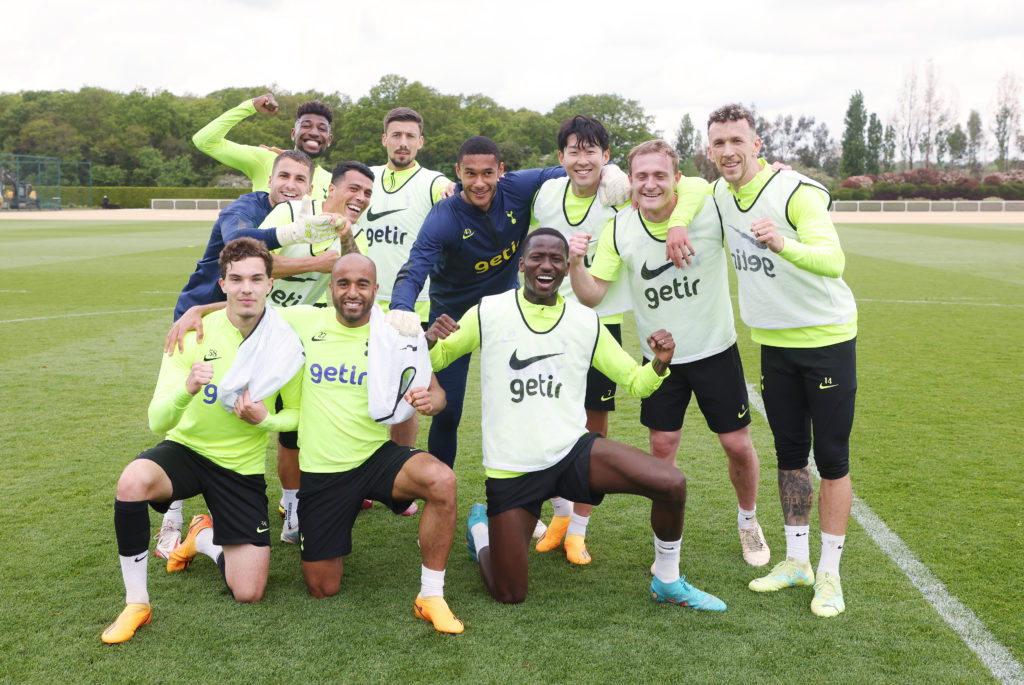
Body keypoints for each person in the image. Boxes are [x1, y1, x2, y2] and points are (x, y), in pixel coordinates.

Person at [426, 228, 725, 610]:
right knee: (509, 593)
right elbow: (437, 360)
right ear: (521, 265)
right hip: (511, 469)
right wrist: (431, 339)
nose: (546, 265)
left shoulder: (586, 321)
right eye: (537, 257)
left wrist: (660, 363)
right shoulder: (489, 311)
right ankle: (481, 530)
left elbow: (636, 383)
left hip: (571, 451)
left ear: (567, 268)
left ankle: (666, 580)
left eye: (556, 259)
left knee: (670, 482)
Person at [568, 139, 770, 569]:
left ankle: (749, 520)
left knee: (736, 444)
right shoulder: (620, 227)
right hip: (660, 359)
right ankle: (666, 546)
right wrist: (574, 265)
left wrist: (678, 222)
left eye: (660, 175)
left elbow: (705, 185)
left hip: (715, 349)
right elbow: (591, 296)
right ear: (630, 181)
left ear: (676, 178)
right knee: (662, 447)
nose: (650, 184)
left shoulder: (704, 208)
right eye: (641, 176)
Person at [690, 103, 858, 617]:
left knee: (830, 458)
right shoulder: (719, 193)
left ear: (757, 144)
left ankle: (829, 575)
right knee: (789, 455)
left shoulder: (797, 191)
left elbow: (833, 261)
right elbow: (682, 196)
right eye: (718, 143)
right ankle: (796, 561)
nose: (727, 151)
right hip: (774, 345)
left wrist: (782, 243)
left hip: (825, 340)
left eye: (736, 140)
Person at [102, 238, 302, 644]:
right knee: (132, 481)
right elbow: (158, 420)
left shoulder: (285, 339)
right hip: (187, 451)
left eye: (256, 279)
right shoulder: (191, 333)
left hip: (240, 467)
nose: (247, 288)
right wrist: (187, 389)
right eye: (237, 279)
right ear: (223, 283)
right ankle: (136, 602)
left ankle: (203, 538)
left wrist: (268, 420)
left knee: (248, 592)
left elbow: (298, 414)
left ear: (269, 284)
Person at [388, 135, 629, 470]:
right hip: (454, 319)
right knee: (449, 410)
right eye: (470, 174)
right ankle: (440, 493)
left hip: (507, 315)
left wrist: (613, 169)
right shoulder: (444, 216)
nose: (479, 182)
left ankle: (532, 486)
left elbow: (567, 168)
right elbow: (415, 266)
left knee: (527, 400)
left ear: (501, 170)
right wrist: (401, 307)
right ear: (458, 172)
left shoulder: (517, 187)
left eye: (488, 173)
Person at [164, 162, 372, 546]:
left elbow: (352, 267)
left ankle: (292, 508)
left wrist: (344, 238)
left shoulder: (351, 232)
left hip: (290, 335)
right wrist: (201, 309)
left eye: (366, 194)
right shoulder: (291, 213)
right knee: (201, 415)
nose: (358, 198)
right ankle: (173, 513)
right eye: (352, 189)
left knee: (294, 424)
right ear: (329, 190)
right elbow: (256, 268)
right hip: (244, 327)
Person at [275, 253, 464, 634]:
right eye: (343, 283)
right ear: (330, 288)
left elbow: (437, 393)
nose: (352, 292)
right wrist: (195, 312)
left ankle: (431, 595)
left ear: (376, 291)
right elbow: (246, 310)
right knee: (322, 588)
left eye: (362, 284)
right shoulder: (304, 320)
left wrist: (431, 402)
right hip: (323, 472)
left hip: (375, 457)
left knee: (442, 481)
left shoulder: (395, 332)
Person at [365, 107, 452, 450]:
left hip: (412, 305)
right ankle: (361, 475)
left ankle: (398, 478)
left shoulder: (432, 181)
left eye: (410, 137)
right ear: (385, 139)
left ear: (421, 142)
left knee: (407, 394)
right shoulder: (365, 177)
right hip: (362, 305)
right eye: (396, 135)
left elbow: (452, 190)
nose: (403, 143)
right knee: (360, 389)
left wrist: (454, 191)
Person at [172, 150, 346, 321]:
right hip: (204, 312)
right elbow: (237, 241)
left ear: (310, 189)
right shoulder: (245, 208)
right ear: (270, 181)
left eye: (299, 179)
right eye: (283, 176)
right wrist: (298, 240)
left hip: (251, 318)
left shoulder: (308, 219)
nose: (291, 185)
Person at [193, 93, 335, 199]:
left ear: (329, 139)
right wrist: (250, 106)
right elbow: (205, 141)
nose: (314, 133)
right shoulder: (267, 159)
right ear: (293, 134)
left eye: (322, 129)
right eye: (306, 126)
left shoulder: (334, 182)